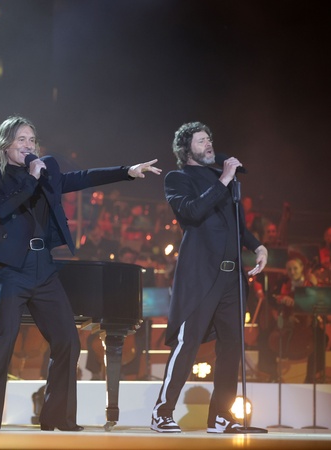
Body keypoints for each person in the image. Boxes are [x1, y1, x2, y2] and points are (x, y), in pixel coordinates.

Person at [0, 115, 161, 431]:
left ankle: (58, 417)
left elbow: (81, 178)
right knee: (3, 339)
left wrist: (126, 171)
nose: (28, 146)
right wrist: (31, 178)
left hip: (43, 268)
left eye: (32, 140)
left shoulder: (46, 170)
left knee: (68, 340)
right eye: (21, 139)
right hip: (11, 269)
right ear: (5, 144)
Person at [150, 122, 268, 434]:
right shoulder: (178, 178)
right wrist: (224, 179)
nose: (209, 144)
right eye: (201, 141)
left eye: (209, 139)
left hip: (232, 277)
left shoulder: (222, 180)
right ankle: (162, 412)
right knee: (187, 343)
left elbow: (237, 226)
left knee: (231, 347)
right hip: (201, 275)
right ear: (186, 149)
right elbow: (191, 211)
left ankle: (221, 416)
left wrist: (257, 246)